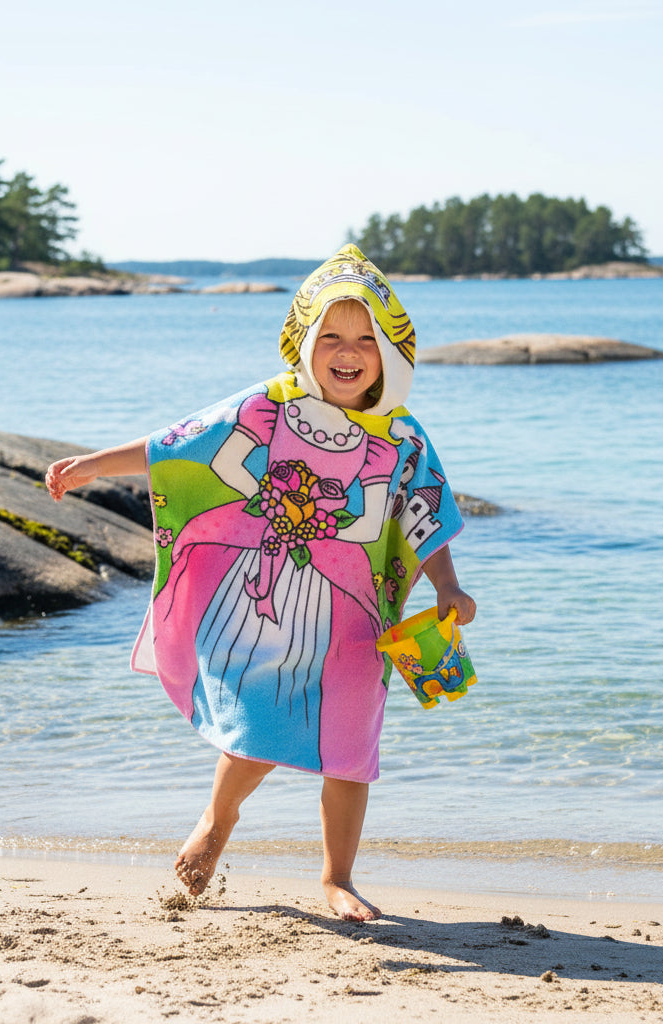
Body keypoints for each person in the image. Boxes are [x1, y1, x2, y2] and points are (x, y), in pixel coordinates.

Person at [45, 244, 475, 921]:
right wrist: (96, 465)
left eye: (366, 339)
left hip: (359, 614)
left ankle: (338, 877)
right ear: (304, 341)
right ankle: (217, 822)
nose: (347, 351)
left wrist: (447, 588)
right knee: (261, 720)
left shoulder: (402, 436)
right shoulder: (268, 407)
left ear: (391, 351)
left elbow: (423, 513)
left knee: (351, 743)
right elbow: (178, 444)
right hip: (270, 602)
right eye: (330, 335)